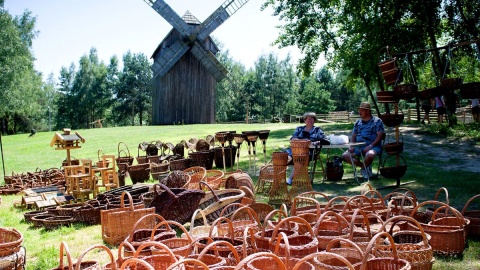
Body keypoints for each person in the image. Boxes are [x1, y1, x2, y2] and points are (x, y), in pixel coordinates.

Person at [342, 102, 385, 179]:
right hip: (358, 147)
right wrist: (351, 146)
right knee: (345, 155)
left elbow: (379, 136)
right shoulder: (358, 122)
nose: (359, 112)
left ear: (368, 111)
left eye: (361, 110)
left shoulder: (377, 121)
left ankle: (363, 169)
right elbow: (354, 136)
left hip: (373, 146)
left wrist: (370, 146)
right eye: (359, 110)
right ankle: (364, 167)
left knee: (370, 154)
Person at [285, 112, 328, 185]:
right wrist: (302, 141)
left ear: (314, 120)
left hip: (310, 152)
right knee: (283, 157)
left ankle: (289, 179)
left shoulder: (317, 130)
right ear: (305, 120)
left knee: (300, 158)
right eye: (308, 119)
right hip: (295, 150)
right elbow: (293, 138)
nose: (310, 120)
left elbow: (325, 140)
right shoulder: (299, 129)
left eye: (312, 119)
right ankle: (278, 177)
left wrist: (316, 142)